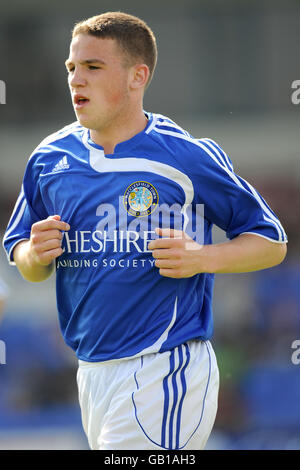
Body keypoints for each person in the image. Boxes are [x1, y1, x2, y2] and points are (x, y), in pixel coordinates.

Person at [2, 12, 287, 450]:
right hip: (92, 374)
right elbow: (25, 259)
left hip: (164, 368)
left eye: (93, 67)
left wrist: (202, 257)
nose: (77, 79)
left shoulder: (186, 157)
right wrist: (34, 256)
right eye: (71, 68)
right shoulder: (48, 158)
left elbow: (271, 242)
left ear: (138, 76)